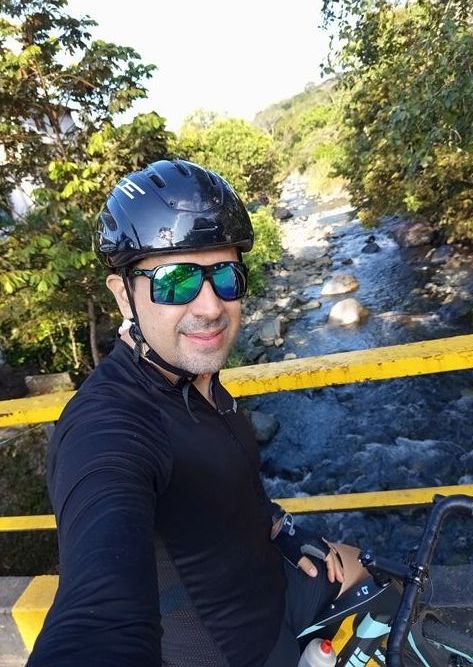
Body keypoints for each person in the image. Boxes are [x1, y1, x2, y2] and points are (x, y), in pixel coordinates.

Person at [27, 160, 365, 667]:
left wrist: (280, 527)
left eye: (226, 276)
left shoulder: (196, 376)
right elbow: (98, 613)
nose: (210, 307)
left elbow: (227, 487)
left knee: (368, 569)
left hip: (271, 589)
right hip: (244, 652)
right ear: (124, 296)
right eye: (176, 281)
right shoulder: (106, 425)